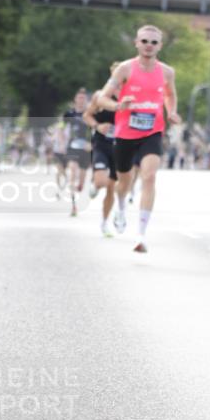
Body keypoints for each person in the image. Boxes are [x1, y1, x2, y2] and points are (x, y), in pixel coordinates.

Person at [98, 25, 181, 252]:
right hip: (125, 133)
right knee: (124, 182)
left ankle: (141, 234)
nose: (149, 45)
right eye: (145, 41)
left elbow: (170, 94)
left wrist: (171, 111)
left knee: (149, 176)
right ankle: (122, 206)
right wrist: (117, 105)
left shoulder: (167, 72)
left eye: (154, 42)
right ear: (137, 43)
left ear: (160, 46)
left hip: (152, 131)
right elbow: (102, 98)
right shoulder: (124, 69)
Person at [83, 63, 120, 237]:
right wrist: (97, 126)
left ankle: (105, 222)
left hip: (121, 147)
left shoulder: (130, 98)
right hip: (101, 144)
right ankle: (95, 186)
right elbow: (87, 115)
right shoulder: (100, 96)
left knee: (112, 188)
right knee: (100, 182)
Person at [63, 89, 91, 217]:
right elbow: (62, 129)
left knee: (82, 182)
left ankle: (79, 186)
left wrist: (92, 143)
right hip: (72, 147)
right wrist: (62, 143)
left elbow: (95, 129)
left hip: (86, 149)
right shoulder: (69, 114)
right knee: (72, 172)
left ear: (86, 100)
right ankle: (73, 206)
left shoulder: (91, 113)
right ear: (75, 100)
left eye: (83, 98)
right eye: (79, 98)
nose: (81, 101)